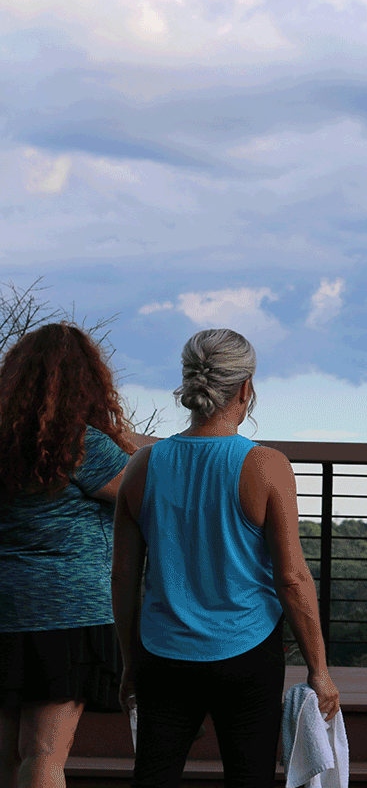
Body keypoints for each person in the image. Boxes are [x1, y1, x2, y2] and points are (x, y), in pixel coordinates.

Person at [111, 328, 339, 788]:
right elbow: (292, 579)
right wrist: (319, 670)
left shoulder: (142, 465)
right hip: (247, 652)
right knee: (249, 777)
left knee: (153, 777)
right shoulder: (267, 466)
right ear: (245, 388)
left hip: (162, 652)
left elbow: (123, 576)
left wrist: (130, 663)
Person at [0, 323, 135, 788]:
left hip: (6, 607)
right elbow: (150, 498)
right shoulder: (82, 444)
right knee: (44, 754)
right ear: (89, 383)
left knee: (8, 755)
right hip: (65, 613)